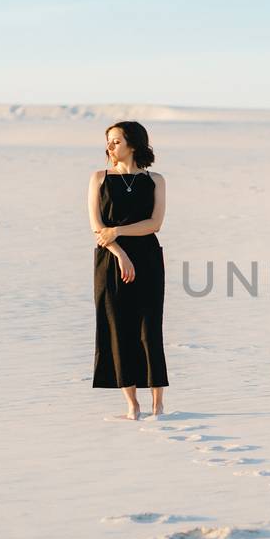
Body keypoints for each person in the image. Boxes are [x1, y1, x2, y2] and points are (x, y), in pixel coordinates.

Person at [90, 121, 169, 419]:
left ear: (133, 144)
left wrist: (118, 231)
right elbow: (98, 228)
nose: (110, 147)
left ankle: (157, 403)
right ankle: (132, 405)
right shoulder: (98, 178)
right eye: (108, 141)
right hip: (110, 260)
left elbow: (155, 224)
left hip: (148, 258)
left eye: (116, 141)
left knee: (149, 328)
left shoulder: (155, 180)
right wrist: (120, 252)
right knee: (118, 327)